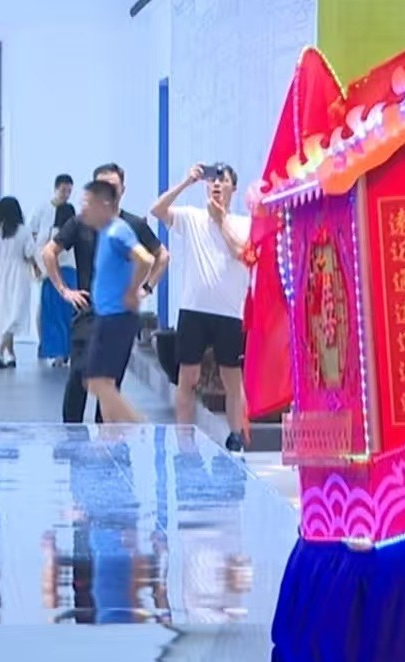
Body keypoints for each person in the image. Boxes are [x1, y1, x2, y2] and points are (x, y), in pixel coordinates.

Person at [44, 164, 167, 424]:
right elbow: (49, 252)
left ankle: (128, 427)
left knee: (104, 383)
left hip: (115, 316)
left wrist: (141, 288)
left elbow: (155, 257)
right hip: (88, 312)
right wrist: (65, 290)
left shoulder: (125, 227)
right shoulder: (83, 224)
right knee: (85, 379)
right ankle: (84, 434)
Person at [150, 162, 254, 451]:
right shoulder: (192, 217)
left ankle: (236, 437)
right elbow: (157, 210)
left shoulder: (244, 223)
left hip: (229, 312)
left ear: (234, 187)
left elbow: (242, 253)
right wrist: (186, 182)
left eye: (223, 180)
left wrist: (220, 221)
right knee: (188, 377)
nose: (217, 185)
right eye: (212, 181)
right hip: (194, 309)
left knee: (231, 377)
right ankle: (185, 441)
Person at [78, 180, 151, 424]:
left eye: (88, 203)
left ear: (104, 204)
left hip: (116, 318)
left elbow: (145, 259)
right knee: (104, 384)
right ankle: (111, 437)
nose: (84, 208)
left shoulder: (118, 231)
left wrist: (132, 291)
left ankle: (139, 425)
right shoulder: (105, 232)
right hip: (108, 317)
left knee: (97, 382)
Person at [0, 196, 38, 369]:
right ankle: (1, 352)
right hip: (18, 274)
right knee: (14, 314)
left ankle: (9, 354)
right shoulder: (24, 232)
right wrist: (36, 267)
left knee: (4, 314)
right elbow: (29, 253)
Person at [37, 175, 77, 365]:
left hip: (56, 274)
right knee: (66, 314)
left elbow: (43, 250)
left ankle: (59, 352)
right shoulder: (77, 231)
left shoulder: (54, 233)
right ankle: (67, 350)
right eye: (64, 190)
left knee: (55, 315)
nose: (66, 194)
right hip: (67, 274)